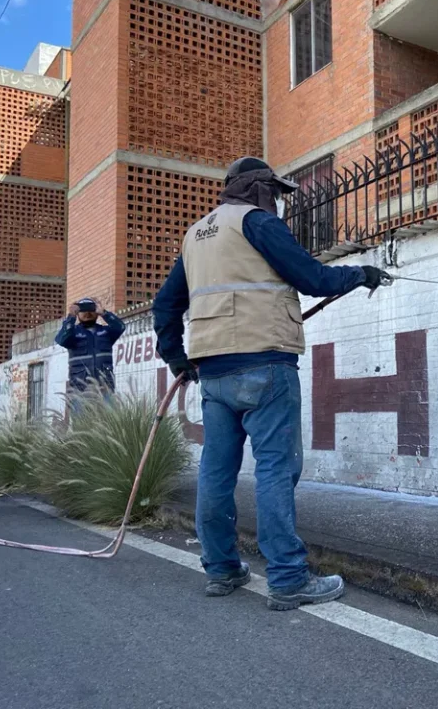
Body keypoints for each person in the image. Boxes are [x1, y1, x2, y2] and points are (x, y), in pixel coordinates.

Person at [152, 155, 390, 611]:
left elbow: (165, 307)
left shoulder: (196, 235)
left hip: (214, 374)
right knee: (276, 469)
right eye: (277, 193)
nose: (280, 202)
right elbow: (312, 278)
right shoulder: (256, 222)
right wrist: (361, 274)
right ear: (259, 189)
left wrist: (178, 359)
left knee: (216, 472)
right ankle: (287, 579)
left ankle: (221, 569)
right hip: (265, 367)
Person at [54, 297, 126, 414]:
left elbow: (121, 327)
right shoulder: (73, 333)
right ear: (78, 313)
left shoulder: (106, 333)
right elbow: (62, 340)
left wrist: (104, 313)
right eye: (83, 310)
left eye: (91, 309)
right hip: (80, 390)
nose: (88, 313)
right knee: (82, 427)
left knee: (109, 425)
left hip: (105, 388)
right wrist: (71, 317)